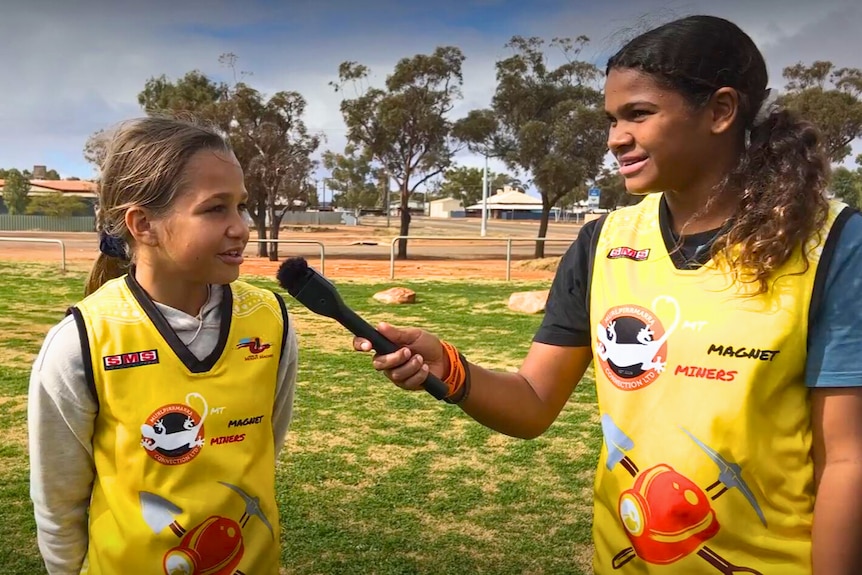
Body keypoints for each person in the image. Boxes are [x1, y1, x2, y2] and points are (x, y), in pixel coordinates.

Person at [354, 15, 862, 575]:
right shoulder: (604, 241)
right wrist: (450, 368)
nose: (615, 138)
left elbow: (847, 458)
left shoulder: (832, 245)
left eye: (638, 114)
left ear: (720, 111)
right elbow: (532, 404)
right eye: (611, 119)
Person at [28, 116, 299, 574]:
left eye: (241, 206)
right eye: (216, 209)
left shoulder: (270, 321)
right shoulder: (82, 342)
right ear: (143, 224)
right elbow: (59, 503)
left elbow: (265, 446)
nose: (240, 227)